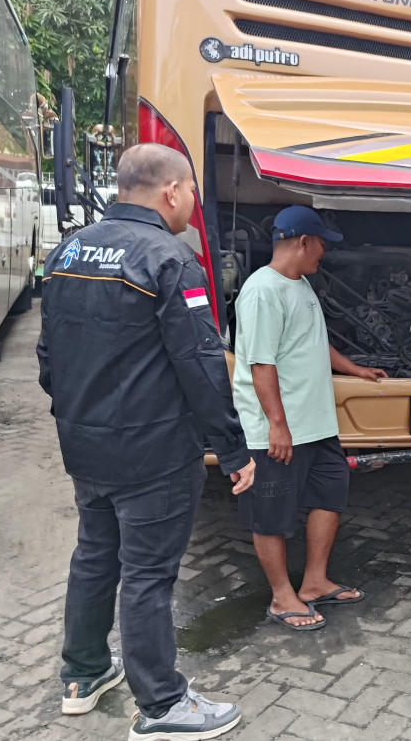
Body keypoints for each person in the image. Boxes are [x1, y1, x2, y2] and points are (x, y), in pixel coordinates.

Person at [39, 143, 254, 740]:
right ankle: (162, 706)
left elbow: (48, 355)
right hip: (154, 453)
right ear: (170, 191)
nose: (195, 205)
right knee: (149, 576)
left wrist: (76, 415)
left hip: (86, 447)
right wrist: (233, 449)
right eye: (193, 193)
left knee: (94, 556)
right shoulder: (170, 259)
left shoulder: (70, 249)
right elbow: (202, 363)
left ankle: (82, 676)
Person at [232, 205, 387, 631]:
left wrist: (355, 368)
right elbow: (260, 365)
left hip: (316, 425)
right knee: (271, 512)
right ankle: (283, 596)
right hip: (280, 430)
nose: (325, 253)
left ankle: (314, 582)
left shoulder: (299, 286)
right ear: (303, 241)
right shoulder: (263, 291)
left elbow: (313, 343)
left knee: (329, 495)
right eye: (322, 244)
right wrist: (277, 426)